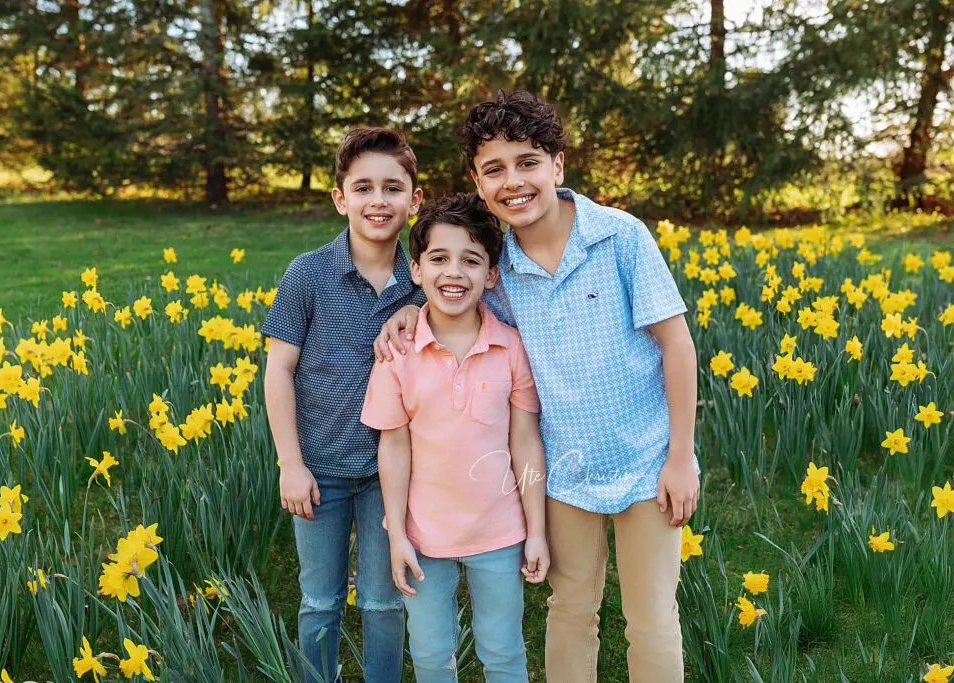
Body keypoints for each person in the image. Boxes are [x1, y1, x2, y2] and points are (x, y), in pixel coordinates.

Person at [375, 91, 701, 683]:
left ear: (557, 164)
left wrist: (680, 459)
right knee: (573, 609)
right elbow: (458, 295)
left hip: (646, 463)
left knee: (650, 618)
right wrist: (410, 310)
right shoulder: (500, 269)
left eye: (528, 162)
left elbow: (677, 346)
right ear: (477, 182)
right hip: (561, 472)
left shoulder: (620, 238)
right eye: (494, 170)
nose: (513, 182)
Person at [361, 192, 548, 683]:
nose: (454, 273)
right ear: (417, 270)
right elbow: (394, 447)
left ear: (491, 275)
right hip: (424, 536)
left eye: (471, 260)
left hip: (500, 532)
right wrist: (397, 534)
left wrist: (537, 530)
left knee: (503, 651)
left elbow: (525, 442)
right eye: (439, 259)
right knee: (430, 655)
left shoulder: (509, 347)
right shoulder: (397, 353)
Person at [262, 127, 425, 683]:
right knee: (320, 600)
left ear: (414, 199)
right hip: (319, 471)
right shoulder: (306, 274)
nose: (378, 201)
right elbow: (278, 370)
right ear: (340, 198)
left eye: (392, 188)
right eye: (363, 188)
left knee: (384, 602)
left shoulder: (425, 284)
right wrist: (291, 463)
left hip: (392, 474)